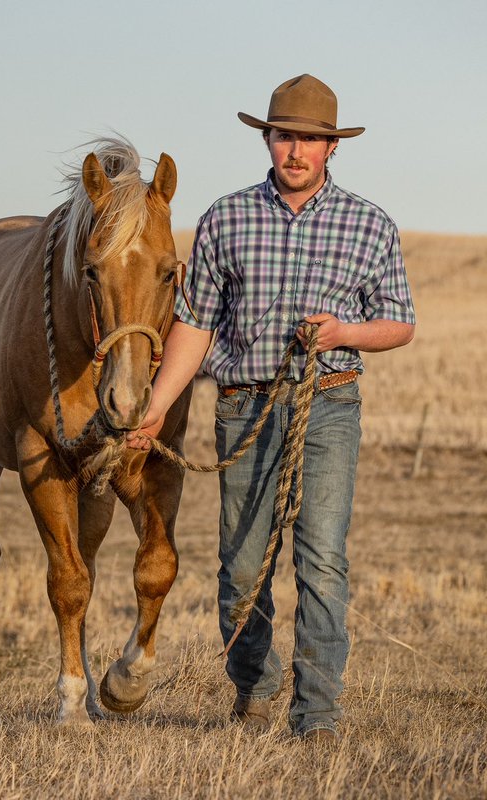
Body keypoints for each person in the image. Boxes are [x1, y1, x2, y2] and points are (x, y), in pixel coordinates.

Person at [125, 74, 415, 742]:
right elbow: (194, 326)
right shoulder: (226, 219)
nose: (296, 150)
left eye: (311, 140)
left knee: (321, 562)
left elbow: (400, 323)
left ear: (332, 149)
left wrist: (343, 333)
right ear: (268, 138)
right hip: (243, 409)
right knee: (243, 569)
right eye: (286, 135)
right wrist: (155, 407)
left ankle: (317, 716)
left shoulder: (370, 225)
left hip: (330, 407)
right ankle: (254, 684)